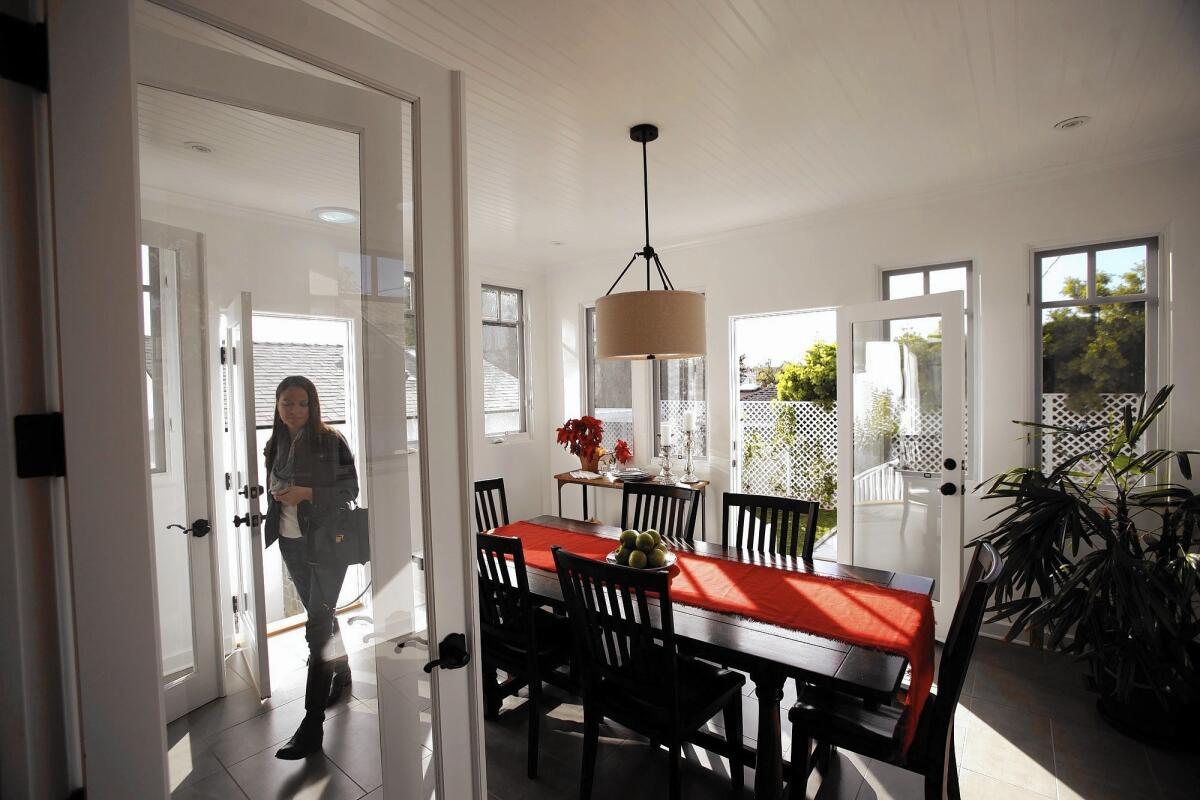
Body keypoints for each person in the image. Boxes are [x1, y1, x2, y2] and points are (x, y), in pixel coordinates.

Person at [262, 375, 359, 759]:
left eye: (302, 403)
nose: (295, 410)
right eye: (288, 403)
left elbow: (350, 490)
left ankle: (312, 723)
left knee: (316, 629)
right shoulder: (276, 444)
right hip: (291, 544)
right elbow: (273, 488)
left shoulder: (329, 441)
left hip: (326, 546)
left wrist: (307, 494)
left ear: (313, 405)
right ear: (278, 405)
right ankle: (345, 670)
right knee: (322, 615)